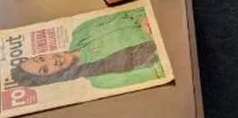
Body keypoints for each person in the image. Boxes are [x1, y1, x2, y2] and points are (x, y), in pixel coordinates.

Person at [10, 6, 166, 89]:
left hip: (161, 11)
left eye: (42, 58)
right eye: (45, 69)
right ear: (50, 78)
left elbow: (126, 13)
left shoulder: (81, 31)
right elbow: (157, 72)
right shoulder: (100, 81)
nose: (52, 60)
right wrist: (154, 38)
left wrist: (145, 19)